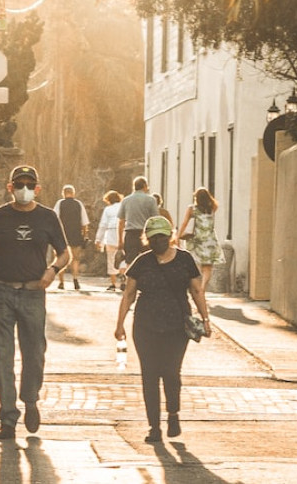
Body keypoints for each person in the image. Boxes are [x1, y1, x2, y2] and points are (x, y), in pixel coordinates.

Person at [0, 165, 71, 441]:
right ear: (10, 187)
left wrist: (52, 270)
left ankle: (30, 400)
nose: (23, 189)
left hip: (33, 293)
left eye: (29, 184)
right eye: (19, 184)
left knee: (35, 352)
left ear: (37, 188)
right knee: (3, 356)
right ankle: (7, 419)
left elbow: (65, 254)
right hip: (1, 291)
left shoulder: (48, 218)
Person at [114, 216, 212, 443]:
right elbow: (128, 294)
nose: (158, 241)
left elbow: (197, 291)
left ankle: (173, 414)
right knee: (149, 375)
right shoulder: (141, 262)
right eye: (153, 237)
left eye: (162, 236)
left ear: (170, 236)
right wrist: (119, 324)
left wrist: (205, 318)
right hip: (145, 325)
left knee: (170, 371)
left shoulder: (185, 260)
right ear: (147, 239)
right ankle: (154, 427)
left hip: (177, 326)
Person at [176, 187, 225, 290]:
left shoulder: (192, 209)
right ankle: (202, 288)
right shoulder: (212, 208)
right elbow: (214, 204)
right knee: (207, 267)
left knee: (196, 264)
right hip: (210, 240)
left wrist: (178, 236)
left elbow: (184, 223)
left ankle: (197, 287)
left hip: (197, 240)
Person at [117, 176, 159, 274]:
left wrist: (120, 240)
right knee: (148, 259)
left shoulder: (126, 200)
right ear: (144, 186)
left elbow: (121, 221)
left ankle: (130, 282)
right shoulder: (151, 200)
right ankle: (146, 281)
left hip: (130, 233)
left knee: (130, 260)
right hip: (146, 234)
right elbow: (155, 219)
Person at [54, 185, 90, 290]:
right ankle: (75, 279)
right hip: (76, 234)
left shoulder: (59, 203)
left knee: (60, 257)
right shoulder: (79, 204)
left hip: (61, 235)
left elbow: (54, 219)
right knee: (75, 259)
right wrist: (85, 235)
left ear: (63, 193)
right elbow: (84, 222)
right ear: (73, 193)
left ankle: (61, 282)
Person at [95, 190, 124, 291]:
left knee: (111, 259)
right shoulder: (123, 206)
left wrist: (98, 239)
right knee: (124, 258)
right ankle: (123, 279)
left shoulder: (108, 209)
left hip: (111, 234)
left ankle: (113, 283)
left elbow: (103, 225)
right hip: (123, 233)